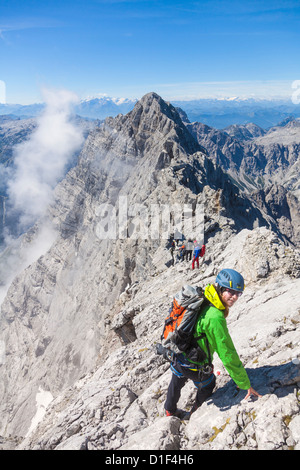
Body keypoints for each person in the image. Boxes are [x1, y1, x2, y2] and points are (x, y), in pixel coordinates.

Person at [164, 269, 262, 419]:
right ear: (221, 288)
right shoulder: (215, 317)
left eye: (238, 293)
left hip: (178, 353)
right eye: (231, 292)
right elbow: (227, 353)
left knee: (176, 380)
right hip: (193, 362)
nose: (235, 297)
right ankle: (193, 414)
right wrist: (244, 383)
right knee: (208, 384)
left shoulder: (205, 296)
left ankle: (169, 410)